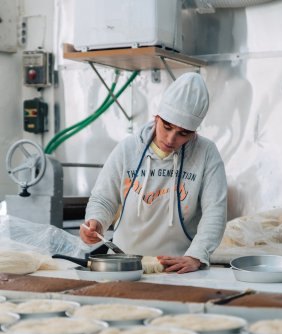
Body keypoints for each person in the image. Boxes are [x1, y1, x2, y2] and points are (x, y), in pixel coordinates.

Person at [80, 72, 227, 274]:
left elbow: (215, 211)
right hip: (124, 263)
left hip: (177, 268)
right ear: (156, 117)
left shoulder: (206, 153)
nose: (170, 138)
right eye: (166, 127)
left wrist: (196, 255)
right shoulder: (128, 148)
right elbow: (104, 198)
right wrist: (96, 221)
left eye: (183, 133)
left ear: (194, 132)